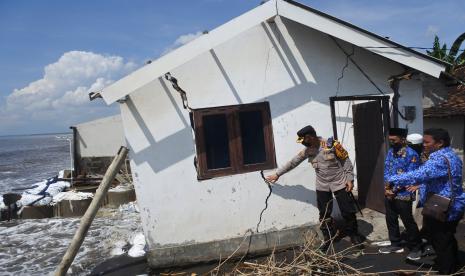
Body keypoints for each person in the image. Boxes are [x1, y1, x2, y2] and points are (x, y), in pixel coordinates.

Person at [266, 125, 364, 252]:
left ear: (310, 137)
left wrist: (350, 179)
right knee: (324, 213)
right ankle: (328, 238)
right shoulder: (308, 151)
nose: (303, 144)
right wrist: (277, 174)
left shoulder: (331, 144)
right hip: (322, 185)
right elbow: (293, 162)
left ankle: (354, 235)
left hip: (339, 182)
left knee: (347, 211)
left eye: (304, 140)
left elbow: (345, 160)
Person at [387, 128, 465, 274]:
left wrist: (392, 179)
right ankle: (454, 262)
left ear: (440, 143)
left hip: (443, 206)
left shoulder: (439, 159)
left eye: (427, 142)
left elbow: (420, 174)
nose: (423, 144)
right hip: (454, 203)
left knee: (440, 240)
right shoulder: (452, 155)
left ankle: (447, 270)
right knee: (447, 237)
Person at [380, 128, 422, 261]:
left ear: (403, 139)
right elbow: (386, 169)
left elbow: (409, 177)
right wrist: (387, 188)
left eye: (394, 140)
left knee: (407, 220)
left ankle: (416, 247)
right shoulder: (391, 152)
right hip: (389, 192)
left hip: (404, 192)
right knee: (390, 218)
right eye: (390, 140)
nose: (392, 142)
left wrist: (394, 190)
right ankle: (395, 244)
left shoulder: (412, 154)